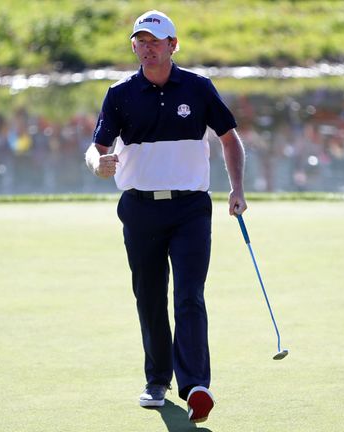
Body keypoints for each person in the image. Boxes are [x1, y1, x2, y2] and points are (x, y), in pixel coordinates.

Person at [84, 9, 247, 424]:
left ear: (173, 45)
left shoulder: (198, 88)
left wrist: (237, 189)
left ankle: (195, 387)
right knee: (150, 295)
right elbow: (96, 148)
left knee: (189, 294)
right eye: (140, 41)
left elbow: (229, 139)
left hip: (191, 209)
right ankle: (157, 380)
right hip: (139, 209)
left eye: (155, 41)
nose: (147, 48)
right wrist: (97, 164)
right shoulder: (120, 94)